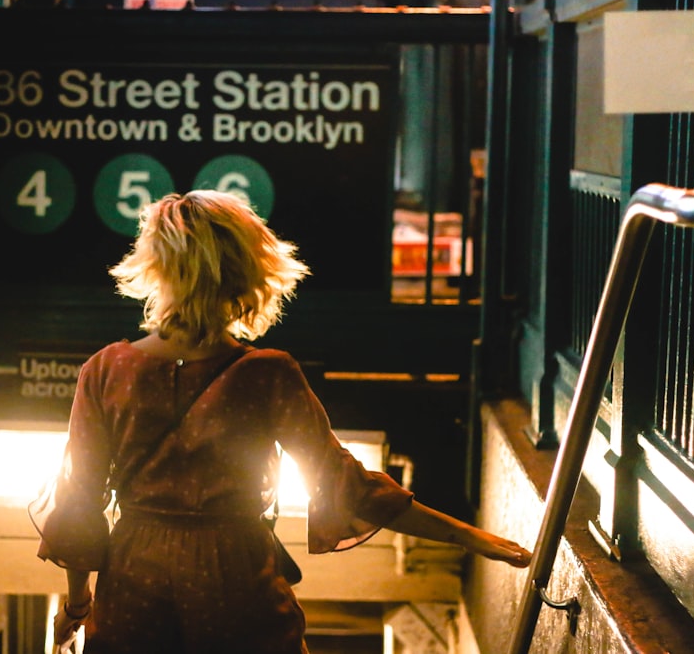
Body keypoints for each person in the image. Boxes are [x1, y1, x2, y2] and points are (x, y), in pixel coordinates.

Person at [31, 190, 532, 653]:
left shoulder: (106, 369)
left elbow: (81, 501)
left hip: (133, 578)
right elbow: (348, 485)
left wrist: (79, 603)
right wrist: (471, 537)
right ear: (245, 274)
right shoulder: (266, 374)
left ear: (156, 270)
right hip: (234, 576)